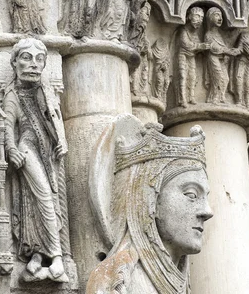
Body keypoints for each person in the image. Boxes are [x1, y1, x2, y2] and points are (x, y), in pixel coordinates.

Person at [87, 125, 213, 294]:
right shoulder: (114, 282)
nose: (207, 211)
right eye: (191, 195)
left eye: (206, 197)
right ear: (150, 199)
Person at [3, 38, 69, 282]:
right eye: (26, 58)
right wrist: (11, 149)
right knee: (43, 198)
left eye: (39, 59)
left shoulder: (46, 91)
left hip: (48, 152)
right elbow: (8, 125)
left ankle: (38, 256)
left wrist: (62, 139)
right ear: (14, 62)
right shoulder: (12, 94)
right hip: (28, 148)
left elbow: (56, 118)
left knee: (45, 199)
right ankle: (58, 255)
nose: (33, 64)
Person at [203, 7, 238, 104]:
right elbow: (214, 48)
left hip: (221, 60)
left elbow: (222, 46)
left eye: (221, 15)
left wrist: (230, 51)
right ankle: (214, 97)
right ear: (210, 18)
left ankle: (222, 96)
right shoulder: (208, 34)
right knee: (217, 77)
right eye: (217, 15)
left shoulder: (218, 34)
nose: (220, 18)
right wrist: (229, 52)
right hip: (213, 58)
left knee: (226, 79)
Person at [176, 7, 207, 107]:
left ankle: (191, 96)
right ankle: (182, 98)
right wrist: (200, 46)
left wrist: (205, 48)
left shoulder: (194, 33)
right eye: (197, 16)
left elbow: (196, 45)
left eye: (201, 18)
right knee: (182, 76)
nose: (200, 20)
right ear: (189, 16)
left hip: (191, 57)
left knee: (192, 77)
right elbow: (185, 44)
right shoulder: (183, 30)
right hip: (183, 55)